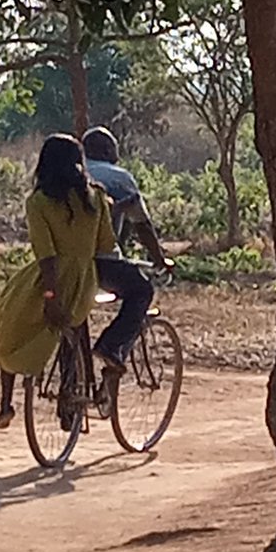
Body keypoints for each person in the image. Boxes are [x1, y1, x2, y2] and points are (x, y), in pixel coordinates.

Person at [0, 133, 117, 429]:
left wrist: (51, 295)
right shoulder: (96, 198)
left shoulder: (39, 202)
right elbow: (106, 245)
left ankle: (6, 403)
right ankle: (81, 389)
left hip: (51, 279)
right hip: (85, 281)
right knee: (75, 329)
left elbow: (46, 256)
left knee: (7, 326)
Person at [82, 125, 169, 376]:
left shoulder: (70, 173)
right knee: (141, 291)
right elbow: (142, 226)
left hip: (65, 260)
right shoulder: (119, 178)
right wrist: (159, 259)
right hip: (102, 261)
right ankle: (110, 345)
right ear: (110, 151)